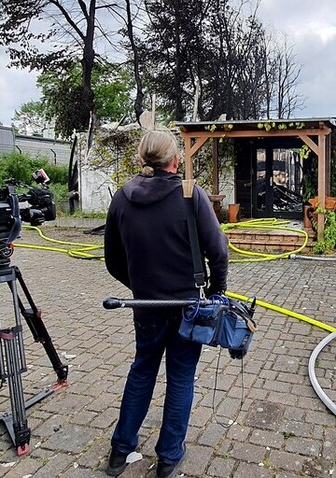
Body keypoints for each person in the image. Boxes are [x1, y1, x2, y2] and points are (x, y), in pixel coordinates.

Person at [103, 130, 228, 478]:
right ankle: (169, 457)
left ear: (142, 160)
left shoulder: (121, 198)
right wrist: (217, 293)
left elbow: (113, 259)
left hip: (146, 307)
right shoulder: (191, 194)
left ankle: (120, 451)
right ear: (175, 160)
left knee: (142, 369)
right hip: (189, 306)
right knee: (181, 377)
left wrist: (142, 288)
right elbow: (218, 252)